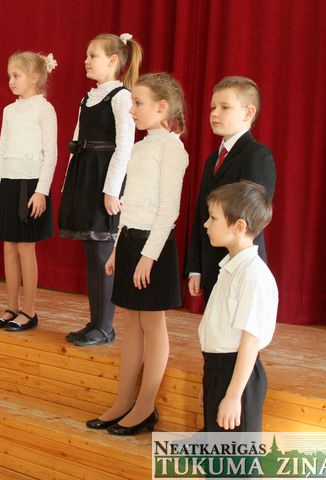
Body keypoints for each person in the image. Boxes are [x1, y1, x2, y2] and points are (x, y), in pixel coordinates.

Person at [86, 73, 189, 435]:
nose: (132, 110)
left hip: (154, 247)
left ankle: (145, 407)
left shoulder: (172, 148)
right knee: (131, 325)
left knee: (152, 324)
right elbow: (130, 205)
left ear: (162, 107)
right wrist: (118, 249)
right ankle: (123, 400)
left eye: (138, 103)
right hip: (131, 242)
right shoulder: (142, 147)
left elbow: (168, 210)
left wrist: (148, 256)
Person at [58, 33, 141, 347]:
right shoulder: (88, 98)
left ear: (113, 60)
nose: (86, 61)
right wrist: (68, 184)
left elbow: (125, 146)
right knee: (91, 253)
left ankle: (105, 326)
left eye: (93, 55)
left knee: (103, 252)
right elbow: (76, 143)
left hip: (104, 179)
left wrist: (112, 190)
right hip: (85, 177)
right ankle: (95, 322)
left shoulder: (121, 97)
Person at [186, 76, 276, 302]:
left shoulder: (257, 155)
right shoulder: (212, 160)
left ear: (248, 113)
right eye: (213, 107)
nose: (215, 113)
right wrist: (196, 267)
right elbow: (201, 213)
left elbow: (252, 218)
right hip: (211, 268)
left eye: (225, 107)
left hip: (239, 269)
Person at [198, 181, 277, 432]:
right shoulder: (230, 267)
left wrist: (233, 396)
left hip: (237, 374)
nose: (206, 224)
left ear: (239, 226)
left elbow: (250, 342)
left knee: (234, 455)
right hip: (220, 369)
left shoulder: (252, 276)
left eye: (213, 218)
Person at [0, 51, 58, 332]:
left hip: (31, 185)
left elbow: (51, 153)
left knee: (25, 247)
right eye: (9, 76)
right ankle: (11, 306)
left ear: (34, 77)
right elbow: (2, 147)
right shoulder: (9, 110)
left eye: (16, 75)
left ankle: (29, 311)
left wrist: (41, 191)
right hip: (9, 182)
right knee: (8, 246)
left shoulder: (45, 109)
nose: (11, 80)